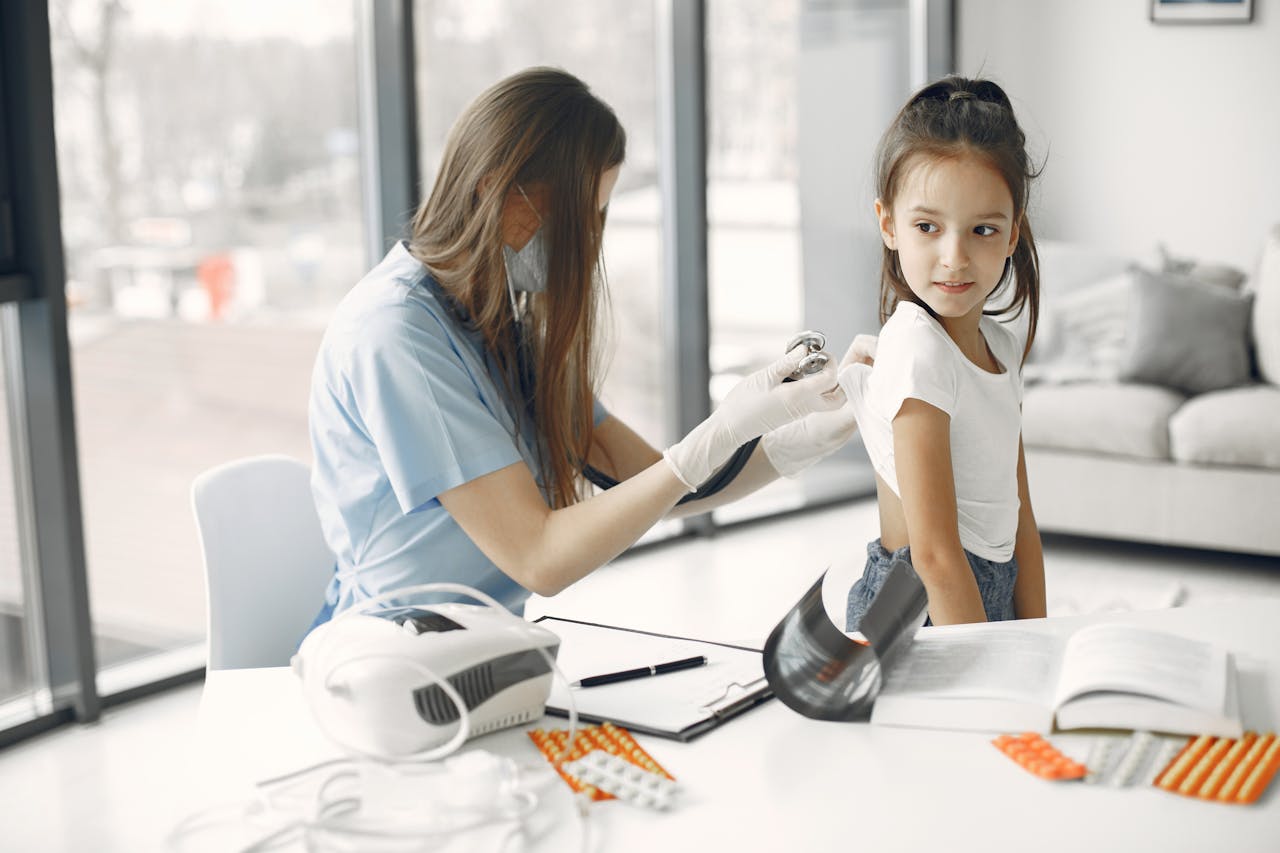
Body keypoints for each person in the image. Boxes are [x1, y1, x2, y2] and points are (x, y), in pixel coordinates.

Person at [305, 67, 863, 628]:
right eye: (581, 216)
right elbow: (538, 558)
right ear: (497, 190)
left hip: (484, 647)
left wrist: (800, 439)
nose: (590, 240)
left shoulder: (497, 325)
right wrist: (723, 430)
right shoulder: (397, 334)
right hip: (393, 659)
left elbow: (654, 483)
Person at [839, 75, 1046, 631]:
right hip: (920, 603)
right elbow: (933, 554)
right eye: (927, 227)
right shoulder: (915, 348)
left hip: (981, 588)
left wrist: (1038, 639)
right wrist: (993, 664)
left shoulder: (1000, 347)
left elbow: (1021, 520)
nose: (954, 258)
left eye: (982, 229)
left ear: (1011, 236)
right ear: (888, 224)